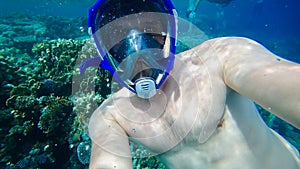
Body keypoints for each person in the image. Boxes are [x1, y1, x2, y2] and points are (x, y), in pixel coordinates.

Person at [80, 0, 300, 168]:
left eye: (150, 28)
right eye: (118, 36)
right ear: (103, 49)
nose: (137, 49)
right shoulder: (111, 116)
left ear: (171, 29)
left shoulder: (221, 57)